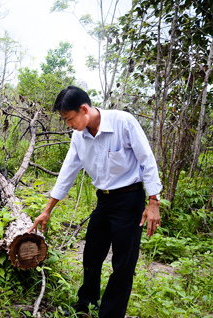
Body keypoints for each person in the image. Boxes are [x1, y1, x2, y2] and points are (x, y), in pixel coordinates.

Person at [29, 86, 162, 318]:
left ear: (83, 109)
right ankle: (86, 304)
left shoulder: (123, 122)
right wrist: (47, 210)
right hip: (104, 201)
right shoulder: (78, 137)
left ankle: (111, 314)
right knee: (91, 254)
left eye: (70, 119)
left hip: (130, 200)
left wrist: (153, 202)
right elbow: (67, 172)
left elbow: (147, 160)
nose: (69, 125)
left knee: (123, 263)